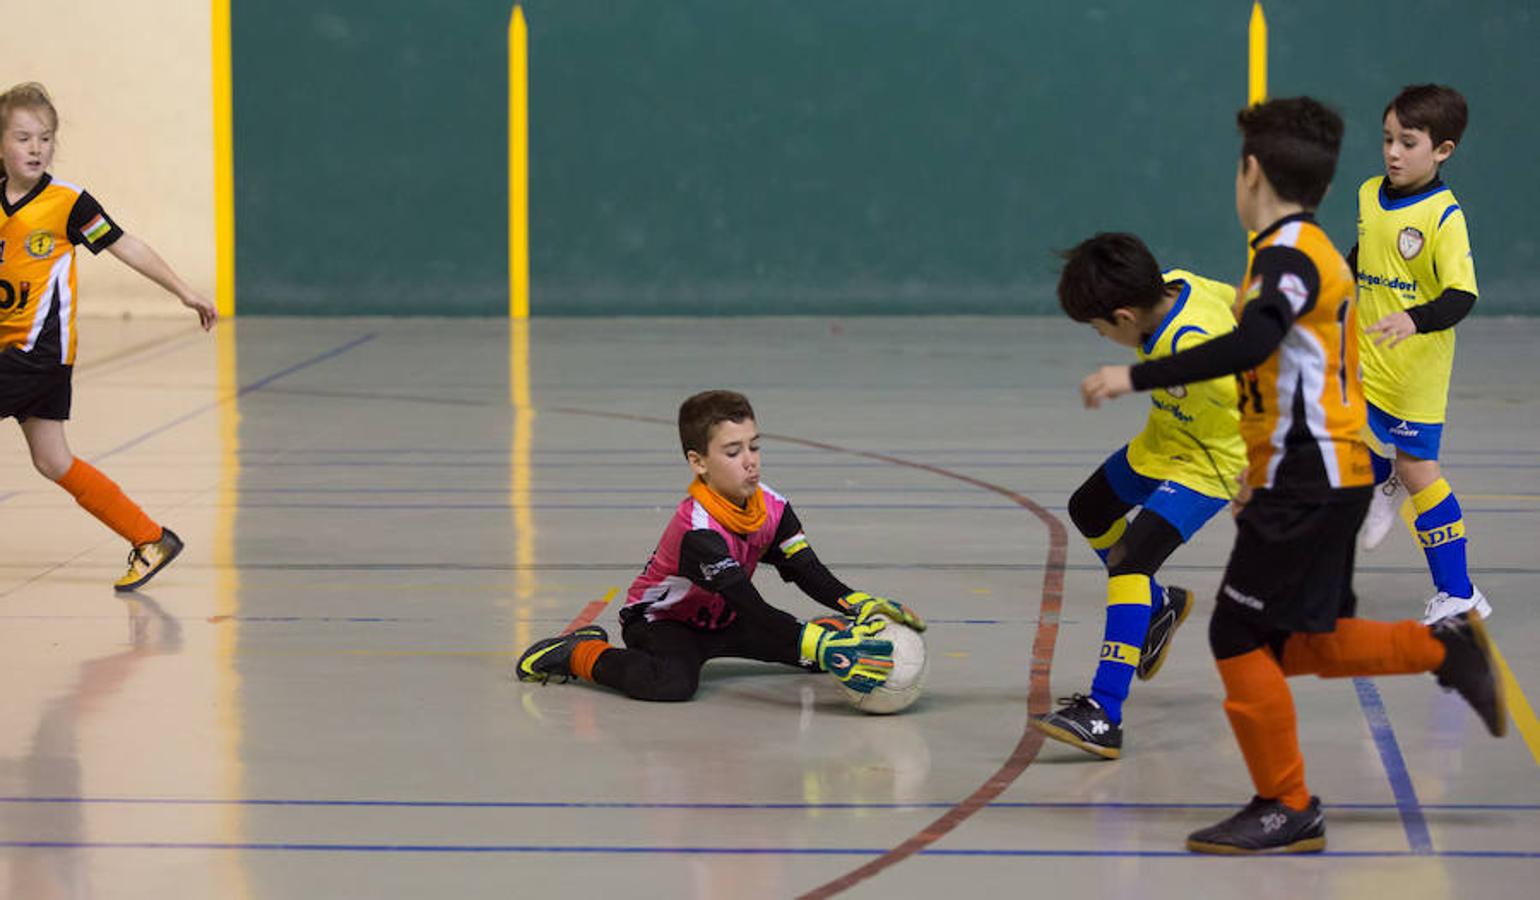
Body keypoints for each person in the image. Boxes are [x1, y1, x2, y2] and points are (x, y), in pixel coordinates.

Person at [1080, 96, 1506, 854]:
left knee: (1238, 634)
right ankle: (1444, 649)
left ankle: (1287, 802)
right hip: (1310, 477)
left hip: (1314, 481)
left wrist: (1132, 379)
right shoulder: (1302, 245)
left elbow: (1255, 345)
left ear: (1251, 174)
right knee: (1296, 642)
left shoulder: (1286, 259)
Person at [515, 389, 922, 702]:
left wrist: (858, 603)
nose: (750, 461)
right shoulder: (698, 531)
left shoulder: (773, 507)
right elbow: (751, 604)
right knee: (671, 684)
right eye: (733, 451)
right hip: (663, 624)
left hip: (726, 620)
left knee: (810, 655)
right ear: (699, 463)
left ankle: (822, 635)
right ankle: (578, 652)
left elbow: (805, 570)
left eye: (754, 446)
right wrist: (821, 646)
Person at [1032, 233, 1246, 759]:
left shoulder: (1192, 343)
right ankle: (1157, 608)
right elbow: (1241, 302)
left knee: (1131, 561)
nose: (1101, 337)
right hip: (1165, 443)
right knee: (1090, 508)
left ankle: (1105, 711)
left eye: (1100, 329)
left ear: (1125, 316)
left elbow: (1257, 386)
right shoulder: (1182, 283)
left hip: (1212, 464)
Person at [1, 82, 216, 591]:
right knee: (52, 461)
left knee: (50, 459)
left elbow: (128, 247)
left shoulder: (68, 205)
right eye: (23, 137)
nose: (36, 148)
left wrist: (183, 290)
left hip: (38, 354)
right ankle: (150, 538)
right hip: (16, 354)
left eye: (46, 138)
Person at [1351, 84, 1488, 624]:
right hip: (1366, 357)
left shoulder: (1443, 216)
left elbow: (1461, 295)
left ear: (1442, 151)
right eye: (1387, 139)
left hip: (1415, 373)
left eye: (1408, 142)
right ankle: (1381, 476)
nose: (1392, 152)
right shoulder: (1368, 194)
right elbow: (1364, 254)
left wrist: (1412, 318)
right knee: (1328, 429)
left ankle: (1459, 591)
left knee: (1420, 470)